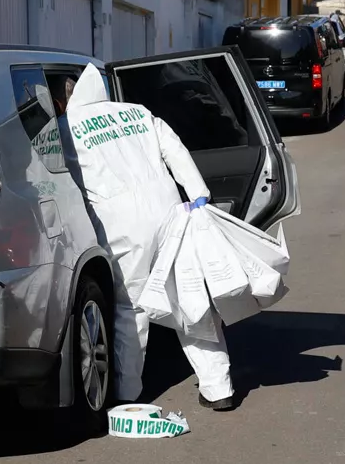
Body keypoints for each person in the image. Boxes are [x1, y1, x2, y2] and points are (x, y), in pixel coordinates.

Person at [60, 64, 236, 411]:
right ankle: (220, 389)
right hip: (169, 210)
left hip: (120, 225)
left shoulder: (67, 129)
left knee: (131, 308)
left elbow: (65, 180)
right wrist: (198, 194)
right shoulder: (137, 113)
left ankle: (128, 392)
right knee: (191, 299)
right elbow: (175, 148)